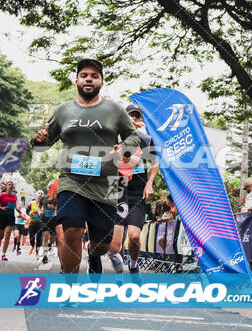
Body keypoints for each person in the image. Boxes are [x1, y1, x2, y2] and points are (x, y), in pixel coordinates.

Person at [32, 58, 140, 275]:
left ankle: (92, 252)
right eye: (84, 75)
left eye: (94, 76)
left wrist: (123, 149)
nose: (89, 79)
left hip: (106, 183)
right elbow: (42, 145)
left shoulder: (114, 110)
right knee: (72, 229)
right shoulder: (63, 111)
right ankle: (70, 283)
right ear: (77, 80)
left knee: (102, 244)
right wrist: (40, 139)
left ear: (101, 82)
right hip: (72, 180)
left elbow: (133, 137)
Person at [116, 104, 159, 275]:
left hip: (137, 192)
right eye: (130, 116)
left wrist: (149, 184)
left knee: (134, 236)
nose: (133, 119)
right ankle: (119, 274)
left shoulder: (146, 139)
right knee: (116, 241)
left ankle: (133, 264)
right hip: (117, 190)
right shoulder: (116, 138)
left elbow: (155, 163)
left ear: (141, 119)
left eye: (137, 116)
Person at [0, 181, 18, 260]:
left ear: (13, 187)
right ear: (6, 187)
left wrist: (18, 210)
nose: (10, 186)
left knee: (8, 235)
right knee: (1, 236)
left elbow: (14, 206)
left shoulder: (14, 196)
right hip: (2, 217)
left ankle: (3, 254)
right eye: (9, 184)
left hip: (10, 217)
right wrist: (2, 208)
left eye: (12, 185)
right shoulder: (2, 195)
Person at [39, 190, 58, 264]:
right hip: (45, 220)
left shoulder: (56, 198)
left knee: (53, 239)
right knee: (45, 236)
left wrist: (55, 207)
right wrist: (40, 211)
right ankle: (45, 256)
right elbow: (39, 206)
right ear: (47, 188)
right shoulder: (43, 198)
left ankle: (50, 244)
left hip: (54, 220)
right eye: (49, 187)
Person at [26, 191, 44, 258]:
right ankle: (32, 246)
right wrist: (30, 212)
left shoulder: (44, 204)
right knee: (31, 238)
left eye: (41, 194)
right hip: (32, 223)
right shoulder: (31, 203)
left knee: (39, 239)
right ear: (36, 195)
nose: (40, 195)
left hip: (40, 224)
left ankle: (37, 253)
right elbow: (27, 210)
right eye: (39, 193)